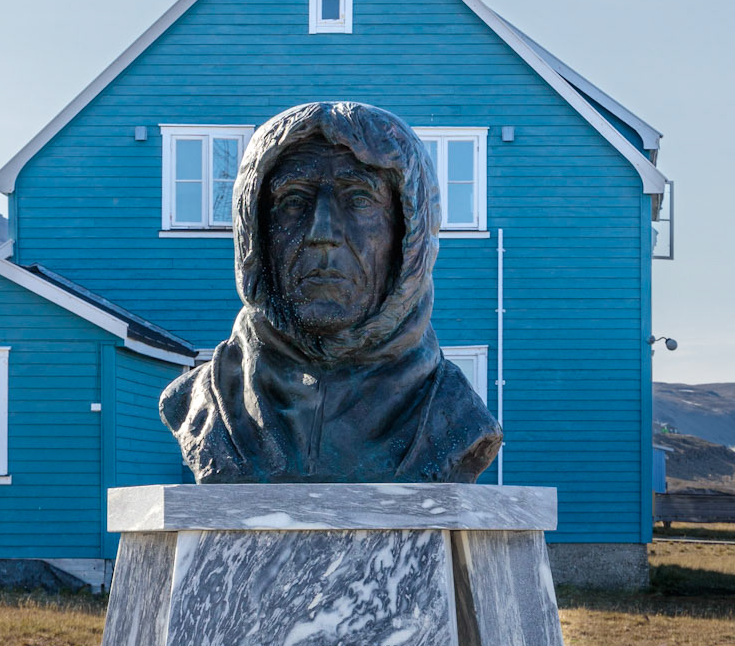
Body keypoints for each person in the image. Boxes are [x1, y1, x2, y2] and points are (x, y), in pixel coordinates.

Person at [159, 100, 503, 484]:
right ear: (255, 235)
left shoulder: (455, 420)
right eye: (294, 202)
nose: (322, 232)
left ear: (409, 234)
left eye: (359, 200)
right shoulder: (205, 405)